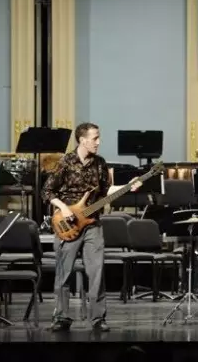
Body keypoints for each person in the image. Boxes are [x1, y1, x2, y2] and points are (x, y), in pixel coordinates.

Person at [42, 122, 141, 332]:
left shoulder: (100, 163)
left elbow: (106, 191)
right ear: (82, 140)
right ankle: (61, 317)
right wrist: (63, 208)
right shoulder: (65, 162)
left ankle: (97, 318)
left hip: (93, 224)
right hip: (68, 224)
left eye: (98, 137)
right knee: (64, 274)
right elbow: (47, 191)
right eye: (95, 138)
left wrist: (128, 187)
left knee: (96, 273)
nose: (98, 142)